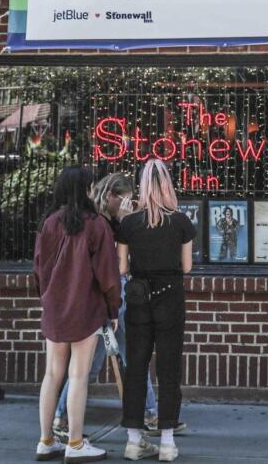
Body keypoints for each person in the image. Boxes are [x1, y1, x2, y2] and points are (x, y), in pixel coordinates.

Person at [52, 174, 164, 440]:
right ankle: (149, 413)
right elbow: (115, 261)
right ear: (112, 196)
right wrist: (127, 224)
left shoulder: (105, 220)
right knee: (121, 357)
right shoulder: (101, 222)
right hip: (111, 295)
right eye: (124, 199)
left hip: (111, 297)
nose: (127, 204)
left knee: (112, 359)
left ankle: (62, 416)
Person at [33, 167, 122, 462]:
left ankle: (46, 440)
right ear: (85, 189)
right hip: (86, 307)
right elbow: (109, 275)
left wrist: (46, 298)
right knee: (78, 376)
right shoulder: (97, 225)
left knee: (51, 373)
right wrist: (113, 308)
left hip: (54, 308)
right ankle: (74, 442)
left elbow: (39, 268)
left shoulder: (49, 223)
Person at [116, 160, 196, 462]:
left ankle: (134, 440)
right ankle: (166, 441)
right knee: (169, 368)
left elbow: (122, 267)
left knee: (135, 367)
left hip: (138, 297)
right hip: (170, 297)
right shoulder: (181, 222)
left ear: (142, 185)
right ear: (167, 185)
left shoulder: (129, 224)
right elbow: (186, 267)